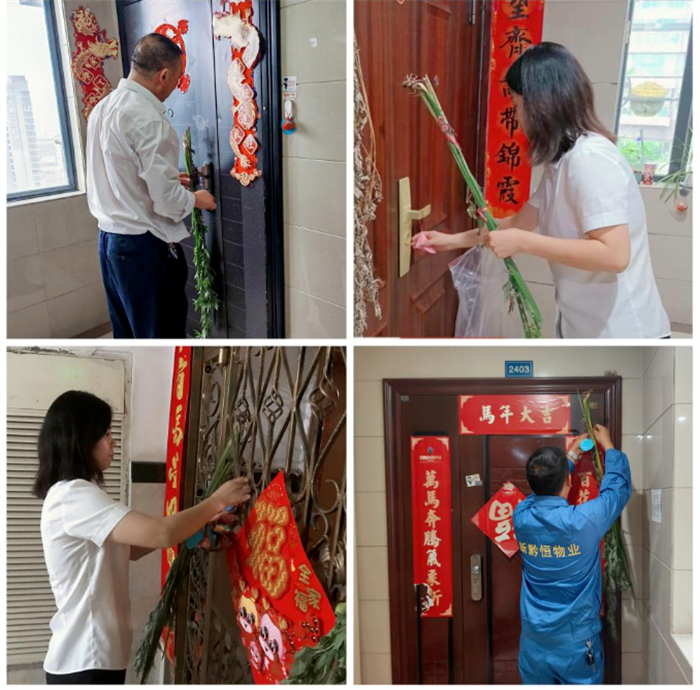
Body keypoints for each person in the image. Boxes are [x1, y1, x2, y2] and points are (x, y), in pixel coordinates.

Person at [413, 42, 670, 339]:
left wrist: (524, 243)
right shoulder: (561, 161)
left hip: (624, 331)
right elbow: (516, 224)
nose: (516, 117)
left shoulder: (590, 159)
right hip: (583, 325)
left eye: (516, 105)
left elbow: (614, 254)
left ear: (540, 104)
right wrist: (450, 240)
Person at [34, 390, 250, 684]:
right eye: (105, 434)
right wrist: (215, 501)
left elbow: (132, 549)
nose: (113, 441)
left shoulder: (76, 494)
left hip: (96, 655)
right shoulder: (73, 496)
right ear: (81, 440)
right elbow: (160, 533)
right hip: (84, 658)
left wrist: (192, 531)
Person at [86, 33, 217, 339]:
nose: (176, 87)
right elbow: (168, 202)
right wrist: (197, 199)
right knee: (160, 336)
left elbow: (120, 172)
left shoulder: (103, 108)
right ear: (164, 75)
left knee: (129, 333)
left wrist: (168, 181)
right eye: (178, 79)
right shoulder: (149, 120)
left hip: (110, 243)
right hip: (141, 248)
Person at [512, 424, 631, 684]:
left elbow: (538, 493)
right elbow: (616, 491)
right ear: (568, 480)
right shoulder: (583, 521)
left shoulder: (521, 516)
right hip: (576, 643)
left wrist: (570, 457)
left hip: (534, 640)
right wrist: (609, 447)